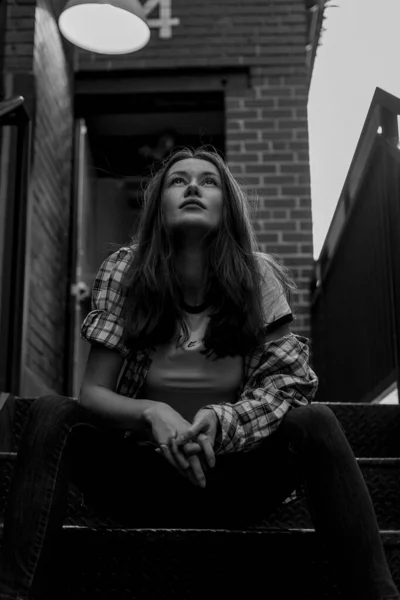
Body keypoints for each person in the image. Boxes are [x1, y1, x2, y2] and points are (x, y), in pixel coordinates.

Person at [0, 146, 398, 600]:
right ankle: (15, 593)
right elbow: (93, 393)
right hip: (139, 479)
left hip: (233, 480)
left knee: (316, 420)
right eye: (177, 180)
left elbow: (288, 385)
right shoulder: (124, 272)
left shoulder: (257, 277)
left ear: (227, 206)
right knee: (52, 412)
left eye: (208, 181)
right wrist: (152, 412)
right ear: (158, 206)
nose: (192, 186)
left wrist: (222, 422)